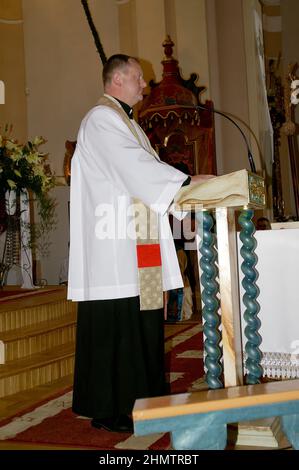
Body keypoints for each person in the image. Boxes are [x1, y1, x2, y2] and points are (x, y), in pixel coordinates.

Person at [67, 54, 211, 433]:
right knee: (122, 326)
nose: (143, 86)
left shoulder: (124, 122)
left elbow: (141, 173)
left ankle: (144, 402)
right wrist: (183, 181)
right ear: (117, 80)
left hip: (136, 240)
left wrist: (184, 187)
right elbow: (133, 167)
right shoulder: (102, 119)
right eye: (137, 79)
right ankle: (113, 408)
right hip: (115, 248)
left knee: (144, 322)